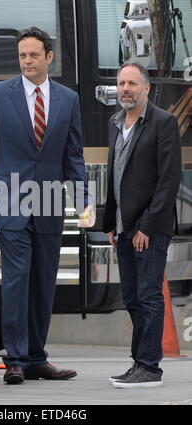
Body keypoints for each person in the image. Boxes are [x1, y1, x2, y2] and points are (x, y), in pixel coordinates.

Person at [0, 27, 94, 384]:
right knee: (16, 281)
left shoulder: (68, 100)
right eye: (22, 55)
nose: (27, 61)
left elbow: (74, 158)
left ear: (48, 57)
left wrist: (83, 203)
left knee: (44, 283)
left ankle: (37, 358)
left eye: (34, 55)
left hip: (50, 204)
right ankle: (16, 360)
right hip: (10, 204)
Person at [103, 62, 181, 389]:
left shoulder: (164, 122)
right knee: (132, 297)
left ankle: (149, 366)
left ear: (146, 88)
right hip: (122, 228)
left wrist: (147, 226)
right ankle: (139, 362)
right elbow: (114, 177)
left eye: (132, 83)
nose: (126, 89)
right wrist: (110, 222)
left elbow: (168, 180)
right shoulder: (115, 122)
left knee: (149, 296)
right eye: (121, 83)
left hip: (149, 227)